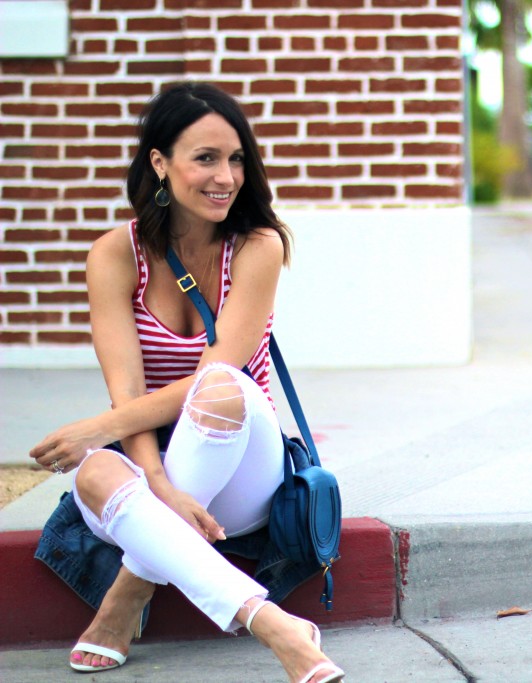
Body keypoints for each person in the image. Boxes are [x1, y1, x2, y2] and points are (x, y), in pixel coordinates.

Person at [28, 81, 344, 683]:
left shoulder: (258, 245)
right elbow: (129, 393)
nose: (225, 176)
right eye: (205, 158)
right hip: (154, 461)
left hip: (241, 464)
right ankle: (275, 625)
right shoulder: (114, 255)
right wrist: (158, 484)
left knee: (222, 388)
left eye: (235, 159)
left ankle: (125, 595)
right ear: (159, 163)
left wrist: (99, 429)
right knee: (96, 469)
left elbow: (215, 372)